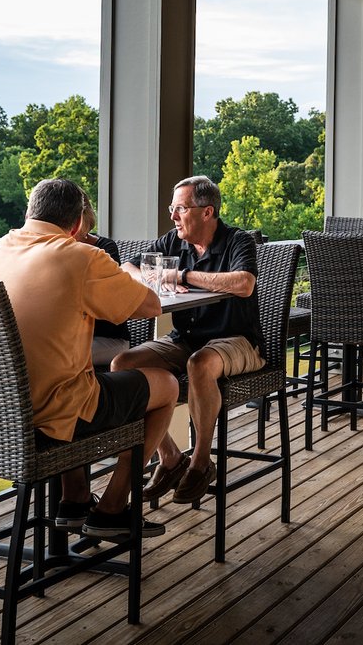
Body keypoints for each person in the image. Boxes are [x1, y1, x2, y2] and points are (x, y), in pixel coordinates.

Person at [0, 178, 178, 539]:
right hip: (53, 411)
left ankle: (75, 498)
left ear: (29, 212)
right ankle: (113, 507)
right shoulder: (82, 255)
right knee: (165, 385)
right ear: (76, 225)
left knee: (72, 373)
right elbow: (151, 306)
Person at [112, 175, 263, 506]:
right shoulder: (172, 242)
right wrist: (151, 277)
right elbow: (127, 267)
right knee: (122, 364)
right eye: (172, 208)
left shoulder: (237, 241)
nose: (173, 216)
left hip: (237, 340)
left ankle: (200, 461)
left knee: (200, 364)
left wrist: (182, 276)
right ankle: (171, 458)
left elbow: (244, 283)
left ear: (206, 212)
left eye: (180, 208)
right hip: (185, 338)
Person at [75, 198, 130, 368]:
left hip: (108, 338)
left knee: (53, 359)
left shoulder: (105, 248)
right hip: (71, 337)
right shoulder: (54, 247)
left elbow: (103, 297)